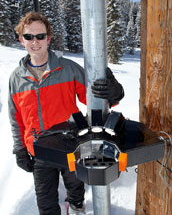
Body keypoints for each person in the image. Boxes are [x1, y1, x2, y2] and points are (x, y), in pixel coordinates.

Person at [8, 12, 124, 215]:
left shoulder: (68, 69)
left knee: (75, 188)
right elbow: (16, 119)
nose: (35, 42)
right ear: (21, 40)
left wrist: (114, 94)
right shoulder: (16, 79)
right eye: (28, 37)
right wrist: (19, 149)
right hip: (39, 149)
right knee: (45, 203)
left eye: (40, 36)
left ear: (48, 38)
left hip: (71, 144)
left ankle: (77, 206)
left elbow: (94, 98)